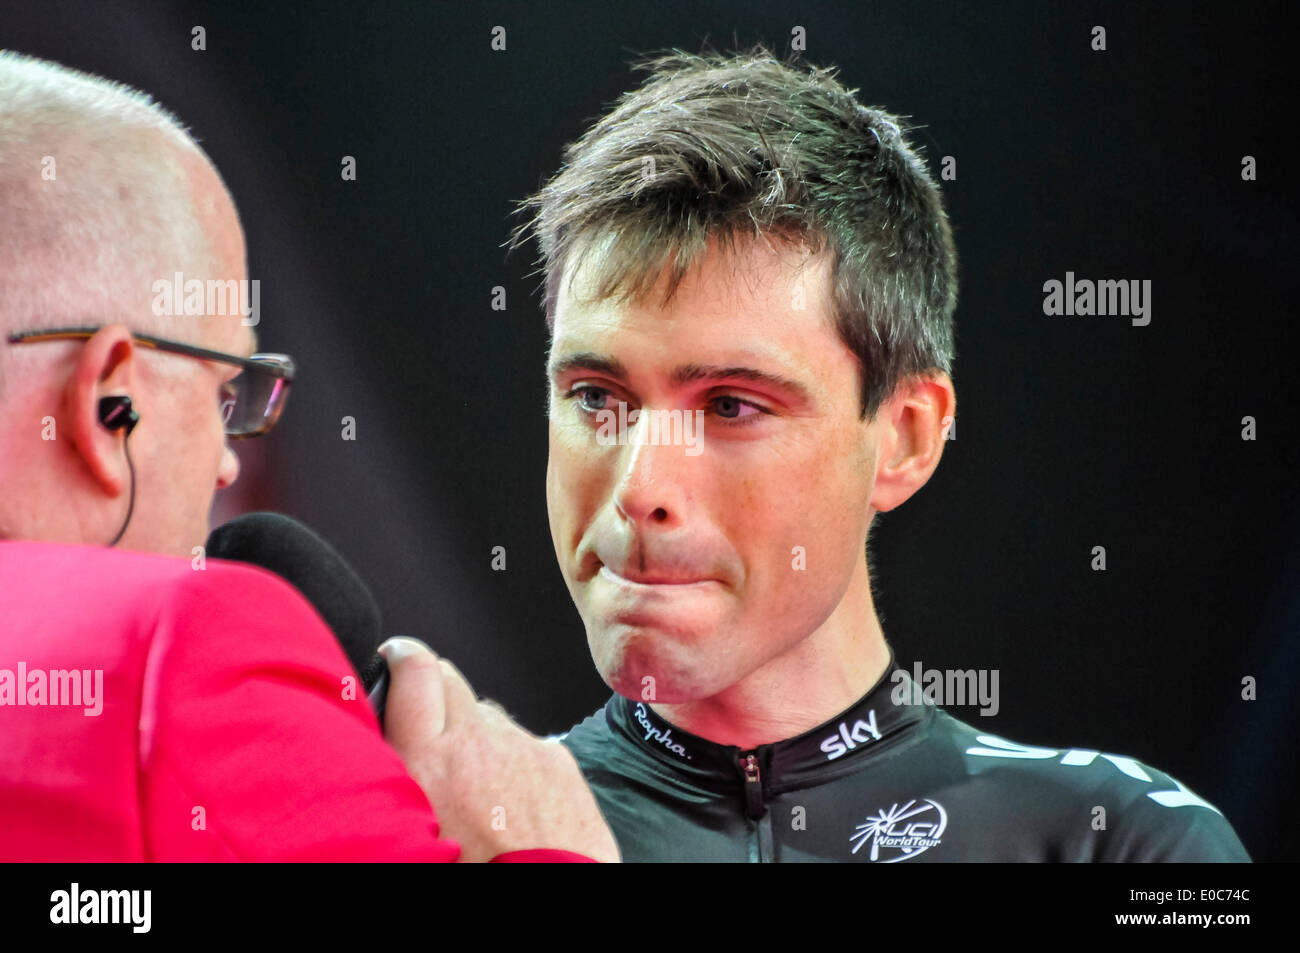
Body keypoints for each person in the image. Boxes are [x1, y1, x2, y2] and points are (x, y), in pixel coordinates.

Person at [509, 45, 1249, 862]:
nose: (640, 485)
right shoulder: (441, 830)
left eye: (729, 405)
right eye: (597, 399)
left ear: (906, 437)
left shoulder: (1131, 842)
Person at [0, 51, 617, 863]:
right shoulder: (182, 651)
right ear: (111, 403)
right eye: (225, 389)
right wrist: (547, 839)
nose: (228, 463)